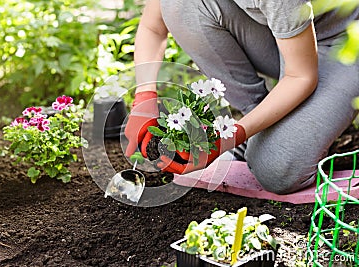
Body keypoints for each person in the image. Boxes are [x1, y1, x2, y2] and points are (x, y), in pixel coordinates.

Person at [124, 0, 359, 194]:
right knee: (181, 5)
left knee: (276, 170)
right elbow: (153, 27)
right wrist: (144, 96)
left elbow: (301, 76)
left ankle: (269, 136)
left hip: (346, 41)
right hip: (288, 37)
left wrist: (229, 136)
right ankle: (258, 127)